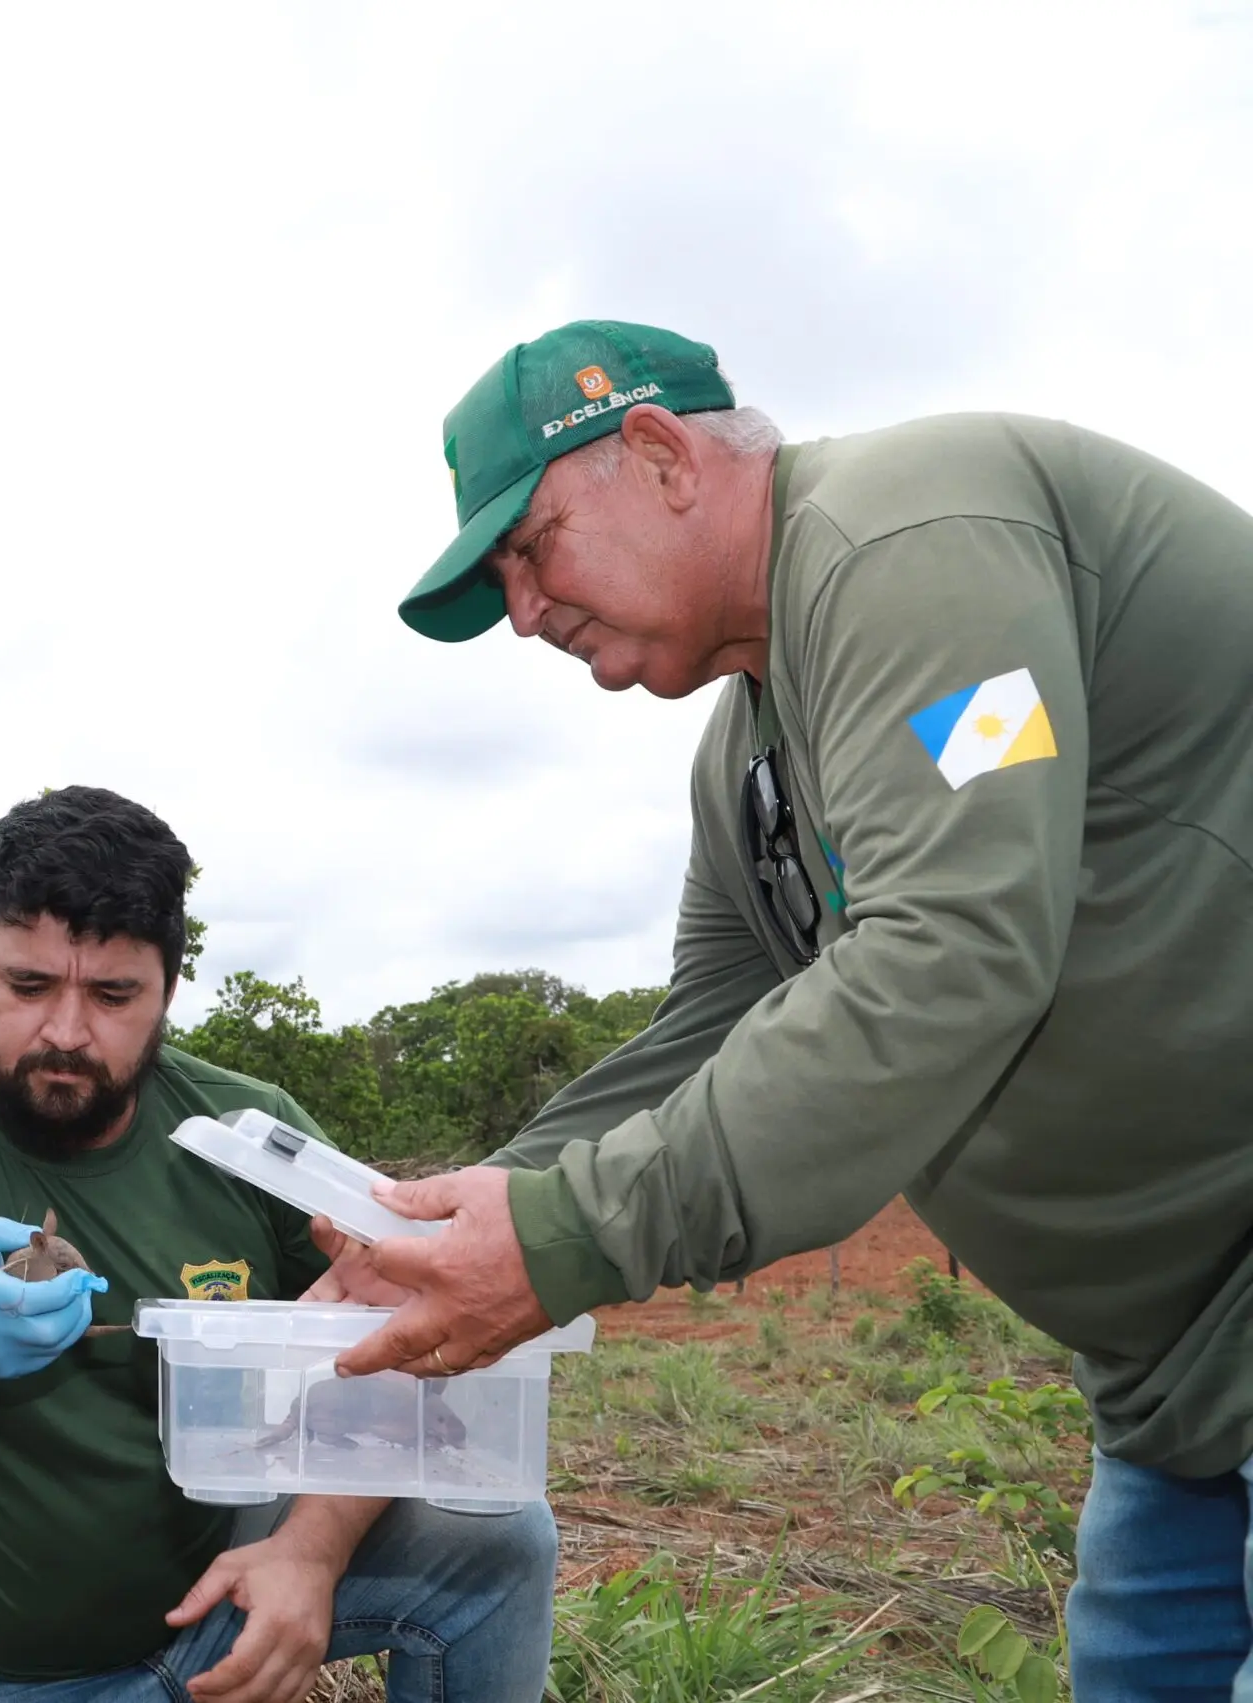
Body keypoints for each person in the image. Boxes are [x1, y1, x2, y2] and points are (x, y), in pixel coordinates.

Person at [337, 317, 1253, 1699]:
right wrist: (436, 1231)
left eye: (530, 549)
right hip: (1170, 1378)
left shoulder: (912, 542)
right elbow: (705, 1024)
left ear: (657, 456)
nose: (523, 614)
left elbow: (953, 947)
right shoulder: (747, 755)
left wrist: (564, 1237)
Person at [0, 787, 557, 1703]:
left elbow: (402, 1331)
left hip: (214, 1599)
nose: (65, 1030)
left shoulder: (247, 1137)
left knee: (500, 1543)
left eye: (113, 994)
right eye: (27, 984)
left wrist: (309, 1552)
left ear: (168, 989)